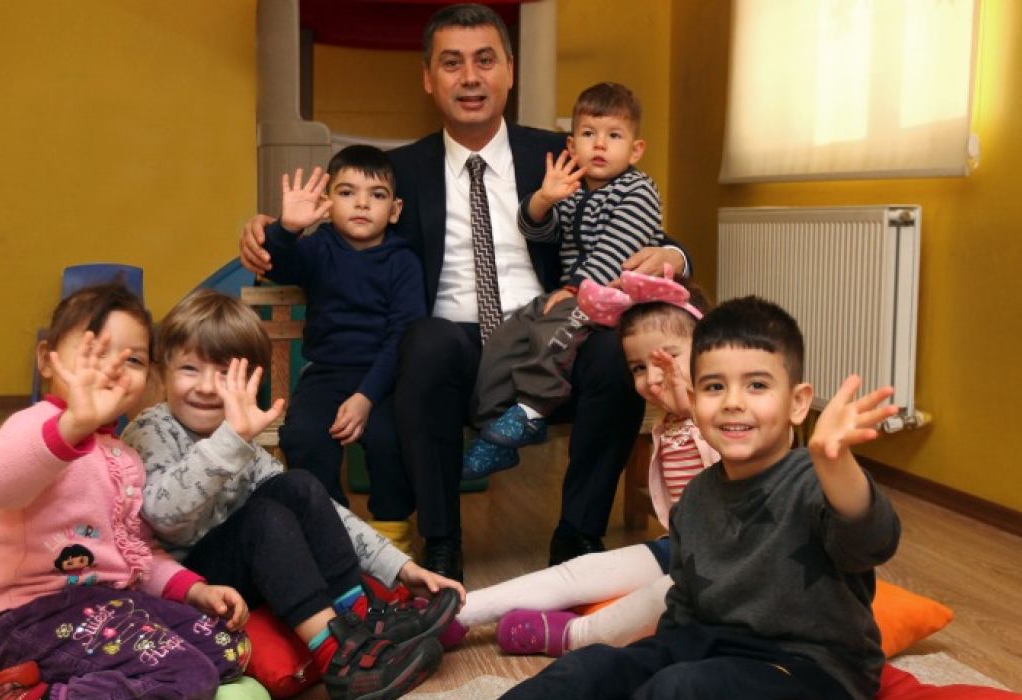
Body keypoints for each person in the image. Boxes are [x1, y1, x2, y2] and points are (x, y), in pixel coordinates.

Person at [239, 3, 691, 580]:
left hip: (552, 340)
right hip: (448, 353)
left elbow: (631, 213)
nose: (470, 77)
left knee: (612, 350)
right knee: (426, 341)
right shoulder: (397, 173)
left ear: (510, 71)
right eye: (452, 63)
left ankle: (578, 535)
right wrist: (269, 233)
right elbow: (332, 241)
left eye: (485, 61)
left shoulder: (565, 153)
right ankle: (442, 538)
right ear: (429, 78)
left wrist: (674, 255)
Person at [464, 296, 903, 700]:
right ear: (694, 399)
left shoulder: (816, 480)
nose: (733, 401)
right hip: (708, 644)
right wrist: (651, 660)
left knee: (680, 692)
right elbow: (686, 603)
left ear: (798, 403)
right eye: (714, 387)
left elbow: (871, 541)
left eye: (757, 385)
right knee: (589, 669)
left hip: (808, 668)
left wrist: (836, 465)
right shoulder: (697, 497)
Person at [122, 289, 462, 700]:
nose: (206, 387)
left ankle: (363, 622)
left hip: (240, 572)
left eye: (226, 374)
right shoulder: (152, 429)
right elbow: (164, 516)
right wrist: (229, 442)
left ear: (252, 382)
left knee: (300, 485)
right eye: (189, 369)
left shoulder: (241, 443)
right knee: (264, 519)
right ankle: (340, 663)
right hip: (187, 585)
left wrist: (403, 569)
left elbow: (326, 511)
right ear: (162, 373)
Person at [0, 283, 250, 700]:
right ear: (47, 359)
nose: (113, 368)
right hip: (28, 618)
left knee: (228, 647)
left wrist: (195, 590)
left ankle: (74, 678)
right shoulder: (38, 427)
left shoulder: (125, 455)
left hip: (109, 604)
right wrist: (72, 427)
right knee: (187, 679)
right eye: (95, 351)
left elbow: (136, 551)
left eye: (133, 359)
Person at [449, 268, 715, 656]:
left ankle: (574, 634)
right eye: (638, 368)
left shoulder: (732, 414)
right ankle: (457, 613)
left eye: (667, 358)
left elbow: (741, 486)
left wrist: (696, 414)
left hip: (731, 565)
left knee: (662, 596)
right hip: (681, 549)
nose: (651, 378)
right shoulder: (669, 420)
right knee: (580, 571)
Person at [463, 81, 667, 481]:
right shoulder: (573, 190)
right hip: (571, 294)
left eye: (614, 136)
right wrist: (544, 199)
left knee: (554, 331)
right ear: (572, 146)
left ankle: (531, 411)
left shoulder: (639, 191)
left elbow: (616, 250)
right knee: (509, 335)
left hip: (615, 296)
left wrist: (575, 289)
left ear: (635, 149)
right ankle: (493, 426)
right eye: (589, 134)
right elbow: (537, 231)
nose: (600, 145)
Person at [258, 145, 425, 553]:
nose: (362, 204)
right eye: (347, 192)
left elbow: (403, 335)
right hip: (326, 373)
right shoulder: (319, 247)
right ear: (327, 203)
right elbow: (277, 264)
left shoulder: (403, 262)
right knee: (304, 437)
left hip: (386, 377)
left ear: (395, 210)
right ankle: (331, 526)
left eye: (377, 195)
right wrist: (287, 229)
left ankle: (391, 535)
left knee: (392, 438)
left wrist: (366, 397)